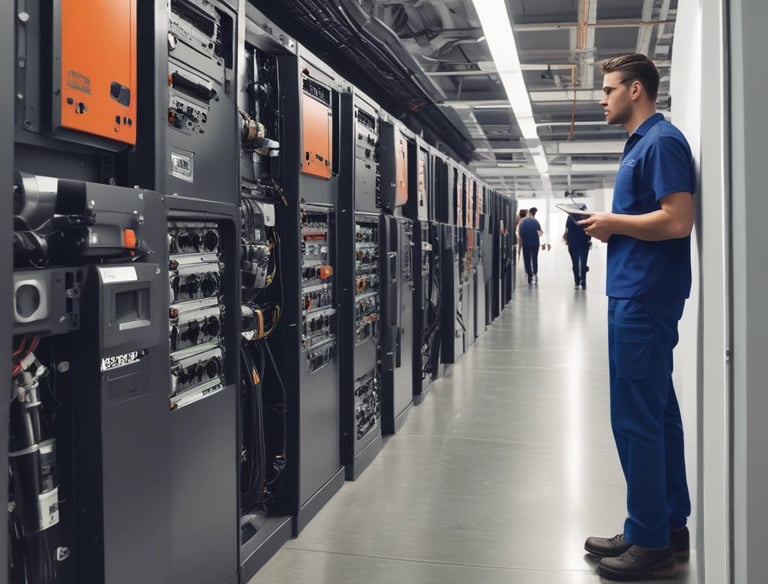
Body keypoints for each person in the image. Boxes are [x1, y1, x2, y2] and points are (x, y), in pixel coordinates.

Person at [579, 53, 695, 581]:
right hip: (638, 294)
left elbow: (676, 221)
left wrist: (613, 224)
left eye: (608, 89)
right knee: (659, 414)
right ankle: (664, 523)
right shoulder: (642, 146)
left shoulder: (662, 142)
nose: (602, 99)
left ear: (636, 91)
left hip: (644, 298)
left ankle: (649, 542)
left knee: (635, 419)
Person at [562, 204, 591, 289]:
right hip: (584, 242)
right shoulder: (586, 218)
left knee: (575, 262)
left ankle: (577, 280)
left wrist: (566, 240)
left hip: (572, 243)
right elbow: (589, 230)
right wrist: (589, 239)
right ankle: (583, 279)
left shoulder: (570, 217)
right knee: (583, 261)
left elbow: (567, 230)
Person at [517, 207, 543, 285]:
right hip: (535, 243)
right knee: (534, 258)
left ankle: (529, 274)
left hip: (526, 244)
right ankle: (535, 272)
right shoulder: (536, 222)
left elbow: (520, 234)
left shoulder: (522, 223)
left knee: (527, 259)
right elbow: (540, 233)